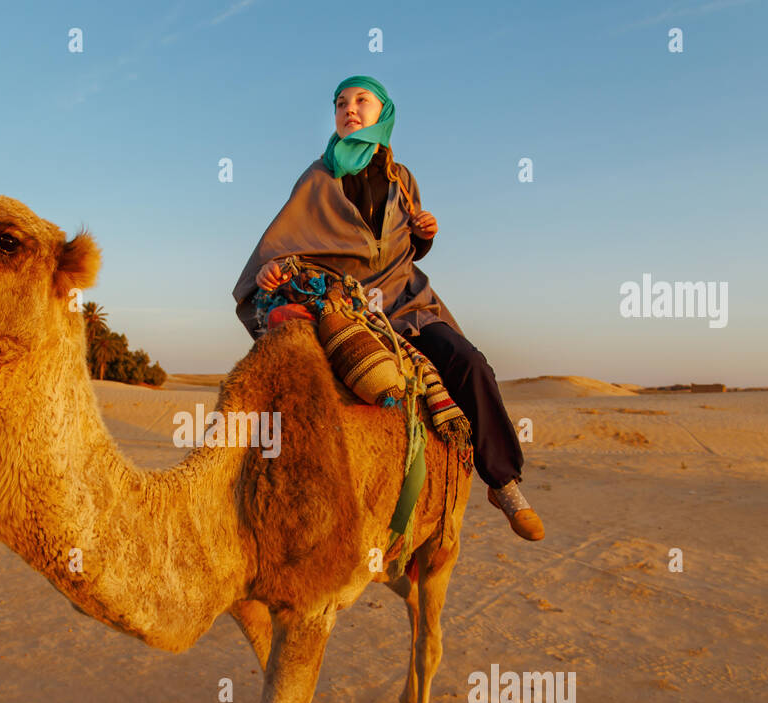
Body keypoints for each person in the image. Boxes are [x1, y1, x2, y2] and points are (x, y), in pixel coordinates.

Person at [231, 75, 544, 541]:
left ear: (384, 114)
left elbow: (398, 247)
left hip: (406, 302)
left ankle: (503, 482)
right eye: (340, 103)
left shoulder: (403, 178)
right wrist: (270, 270)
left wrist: (425, 234)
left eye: (361, 100)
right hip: (346, 305)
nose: (349, 109)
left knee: (471, 363)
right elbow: (284, 244)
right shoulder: (318, 178)